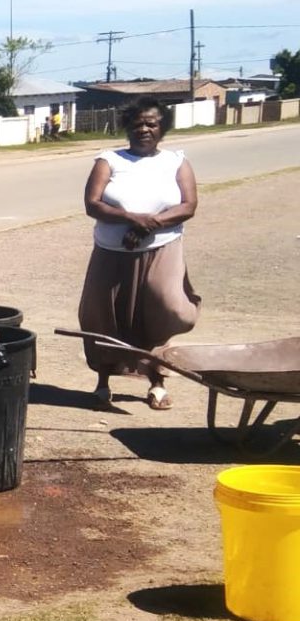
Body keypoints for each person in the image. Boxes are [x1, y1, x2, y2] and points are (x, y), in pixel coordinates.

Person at [77, 96, 200, 411]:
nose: (144, 129)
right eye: (138, 123)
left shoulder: (176, 161)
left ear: (162, 128)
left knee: (166, 309)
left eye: (152, 123)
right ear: (127, 127)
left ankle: (156, 380)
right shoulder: (109, 160)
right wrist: (132, 219)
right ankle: (103, 382)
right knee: (101, 315)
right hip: (112, 251)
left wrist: (151, 225)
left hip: (162, 249)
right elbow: (93, 204)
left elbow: (188, 206)